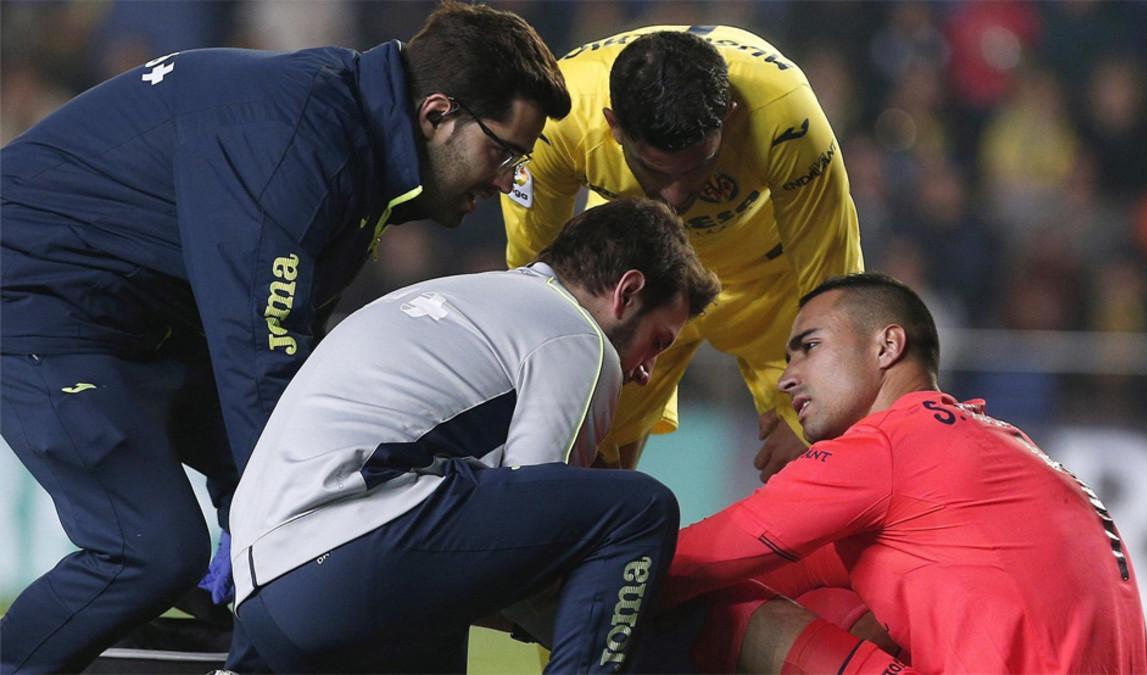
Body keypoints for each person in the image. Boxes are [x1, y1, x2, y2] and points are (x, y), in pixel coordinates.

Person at [0, 2, 570, 671]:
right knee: (152, 549)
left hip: (141, 321)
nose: (507, 180)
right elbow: (259, 375)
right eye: (502, 152)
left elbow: (288, 382)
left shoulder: (355, 149)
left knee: (284, 583)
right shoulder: (304, 146)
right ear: (436, 113)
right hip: (39, 301)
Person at [228, 198, 721, 672]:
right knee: (637, 507)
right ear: (627, 292)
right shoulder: (574, 335)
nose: (646, 373)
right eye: (658, 343)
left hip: (264, 598)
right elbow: (540, 546)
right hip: (341, 561)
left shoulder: (472, 299)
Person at [656, 273, 1147, 673]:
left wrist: (590, 564)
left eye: (809, 347)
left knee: (722, 613)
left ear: (888, 345)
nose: (787, 378)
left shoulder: (890, 443)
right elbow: (801, 568)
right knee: (835, 607)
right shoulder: (991, 443)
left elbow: (694, 560)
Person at [501, 26, 864, 480]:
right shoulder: (558, 120)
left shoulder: (786, 117)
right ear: (614, 127)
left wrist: (813, 409)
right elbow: (535, 284)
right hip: (637, 278)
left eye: (698, 167)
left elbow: (837, 285)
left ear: (729, 119)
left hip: (769, 288)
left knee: (831, 446)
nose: (674, 198)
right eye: (653, 169)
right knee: (583, 453)